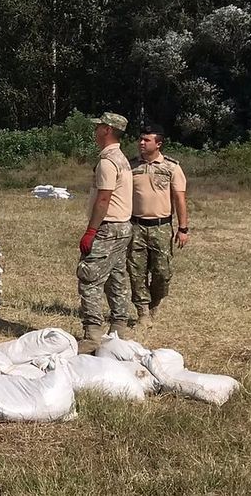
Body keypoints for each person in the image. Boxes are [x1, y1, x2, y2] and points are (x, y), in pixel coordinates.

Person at [77, 112, 134, 353]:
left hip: (108, 227)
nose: (96, 129)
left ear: (108, 130)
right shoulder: (122, 158)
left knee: (89, 279)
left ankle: (92, 335)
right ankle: (119, 328)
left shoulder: (107, 162)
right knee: (116, 278)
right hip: (123, 227)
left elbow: (104, 198)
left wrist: (91, 230)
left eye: (99, 125)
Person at [127, 124, 188, 327]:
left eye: (147, 140)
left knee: (162, 272)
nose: (141, 143)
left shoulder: (171, 167)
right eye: (140, 139)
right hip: (135, 225)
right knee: (136, 271)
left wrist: (183, 228)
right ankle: (142, 312)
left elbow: (180, 198)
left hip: (161, 227)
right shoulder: (131, 166)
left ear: (158, 144)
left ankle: (154, 302)